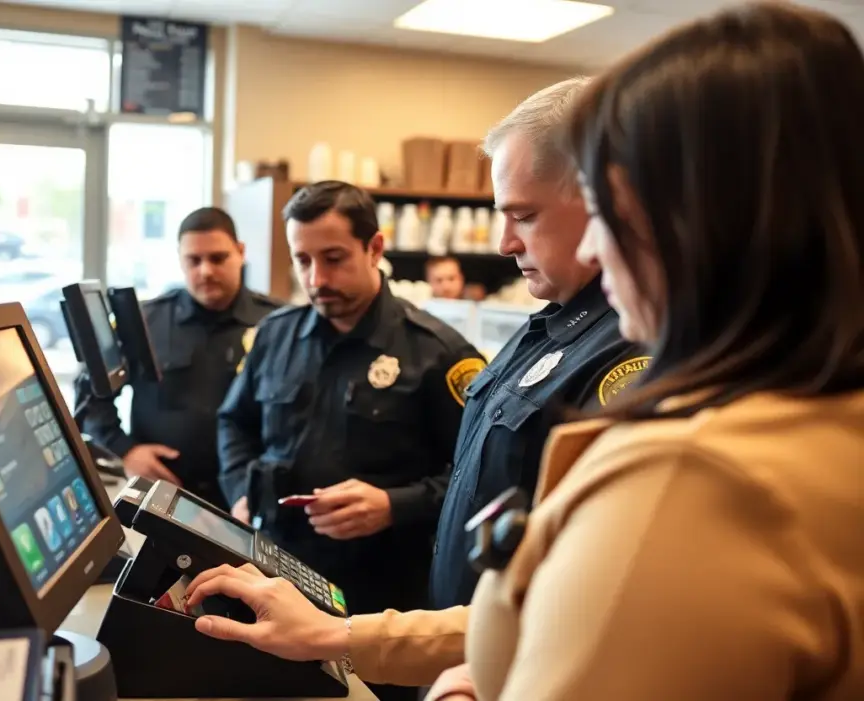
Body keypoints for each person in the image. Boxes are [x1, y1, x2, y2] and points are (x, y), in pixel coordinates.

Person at [184, 3, 864, 699]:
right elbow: (554, 611)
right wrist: (347, 637)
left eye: (611, 214)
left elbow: (576, 636)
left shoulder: (693, 471)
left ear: (702, 223)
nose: (594, 246)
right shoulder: (801, 418)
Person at [217, 180, 486, 701]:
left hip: (383, 599)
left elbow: (476, 479)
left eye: (334, 258)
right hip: (279, 572)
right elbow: (234, 422)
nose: (317, 279)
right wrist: (238, 491)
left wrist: (395, 504)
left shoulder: (440, 352)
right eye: (303, 260)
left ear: (375, 248)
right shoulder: (275, 334)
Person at [430, 77, 645, 610]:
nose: (506, 243)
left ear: (603, 203)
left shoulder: (628, 346)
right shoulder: (550, 324)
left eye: (524, 216)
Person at [77, 207, 279, 510]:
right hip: (164, 498)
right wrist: (126, 450)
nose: (206, 271)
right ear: (180, 259)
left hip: (250, 501)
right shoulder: (143, 322)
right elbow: (91, 397)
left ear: (240, 252)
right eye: (194, 260)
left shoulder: (277, 325)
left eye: (218, 258)